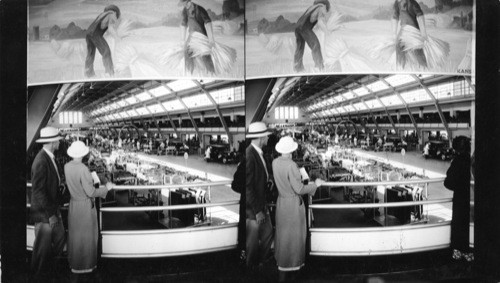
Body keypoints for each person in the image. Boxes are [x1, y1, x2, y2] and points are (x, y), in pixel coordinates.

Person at [272, 136, 323, 281]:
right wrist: (316, 185)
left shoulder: (275, 162)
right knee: (295, 239)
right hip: (293, 207)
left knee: (283, 237)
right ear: (292, 151)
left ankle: (281, 266)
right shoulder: (292, 165)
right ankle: (293, 267)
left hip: (281, 204)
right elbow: (299, 189)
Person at [64, 141, 114, 273]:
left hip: (73, 205)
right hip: (85, 207)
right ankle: (86, 265)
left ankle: (74, 264)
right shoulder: (83, 169)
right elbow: (91, 192)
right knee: (87, 237)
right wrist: (106, 189)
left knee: (75, 235)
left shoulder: (66, 166)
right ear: (83, 154)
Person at [30, 127, 66, 279]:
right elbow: (38, 191)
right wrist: (51, 214)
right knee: (42, 252)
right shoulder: (41, 161)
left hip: (52, 210)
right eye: (58, 139)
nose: (59, 141)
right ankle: (39, 277)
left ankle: (50, 274)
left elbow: (50, 184)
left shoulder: (49, 157)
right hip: (45, 215)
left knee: (59, 239)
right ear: (52, 142)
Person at [246, 122, 273, 269]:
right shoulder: (250, 155)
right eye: (266, 136)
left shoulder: (258, 153)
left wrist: (268, 180)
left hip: (261, 204)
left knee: (268, 233)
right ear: (261, 137)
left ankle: (260, 262)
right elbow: (248, 187)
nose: (268, 139)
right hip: (254, 211)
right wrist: (257, 211)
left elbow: (258, 178)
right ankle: (251, 269)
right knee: (252, 242)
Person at [444, 136, 473, 261]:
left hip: (460, 198)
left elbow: (448, 182)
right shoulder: (470, 160)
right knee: (466, 223)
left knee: (458, 222)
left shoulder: (457, 161)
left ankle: (457, 250)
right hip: (470, 196)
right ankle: (467, 251)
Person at [179, 0, 216, 74]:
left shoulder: (200, 9)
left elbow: (208, 22)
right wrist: (183, 40)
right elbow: (184, 24)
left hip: (201, 35)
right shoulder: (185, 11)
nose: (184, 6)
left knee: (205, 55)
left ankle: (212, 73)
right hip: (192, 37)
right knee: (187, 53)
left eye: (185, 3)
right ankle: (189, 73)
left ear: (189, 1)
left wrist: (211, 39)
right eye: (183, 4)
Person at [293, 0, 330, 72]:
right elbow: (320, 22)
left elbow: (311, 19)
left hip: (297, 27)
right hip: (304, 28)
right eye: (327, 9)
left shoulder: (312, 7)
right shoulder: (321, 7)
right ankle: (319, 67)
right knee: (315, 45)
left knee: (300, 48)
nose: (326, 11)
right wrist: (327, 31)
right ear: (325, 5)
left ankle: (297, 68)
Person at [85, 5, 120, 77]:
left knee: (90, 54)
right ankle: (110, 73)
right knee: (106, 51)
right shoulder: (111, 14)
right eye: (117, 15)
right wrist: (117, 38)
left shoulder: (102, 15)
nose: (116, 17)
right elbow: (110, 28)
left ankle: (88, 74)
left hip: (88, 34)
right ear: (115, 12)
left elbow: (102, 26)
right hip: (95, 34)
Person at [392, 0, 427, 69]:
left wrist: (423, 32)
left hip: (413, 29)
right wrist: (394, 33)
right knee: (399, 46)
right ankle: (400, 68)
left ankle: (424, 67)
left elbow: (420, 15)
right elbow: (395, 17)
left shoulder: (412, 2)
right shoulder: (397, 3)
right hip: (404, 29)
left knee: (417, 49)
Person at [231, 156, 246, 263]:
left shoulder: (243, 164)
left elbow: (235, 185)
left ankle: (243, 253)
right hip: (253, 203)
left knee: (244, 230)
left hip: (246, 203)